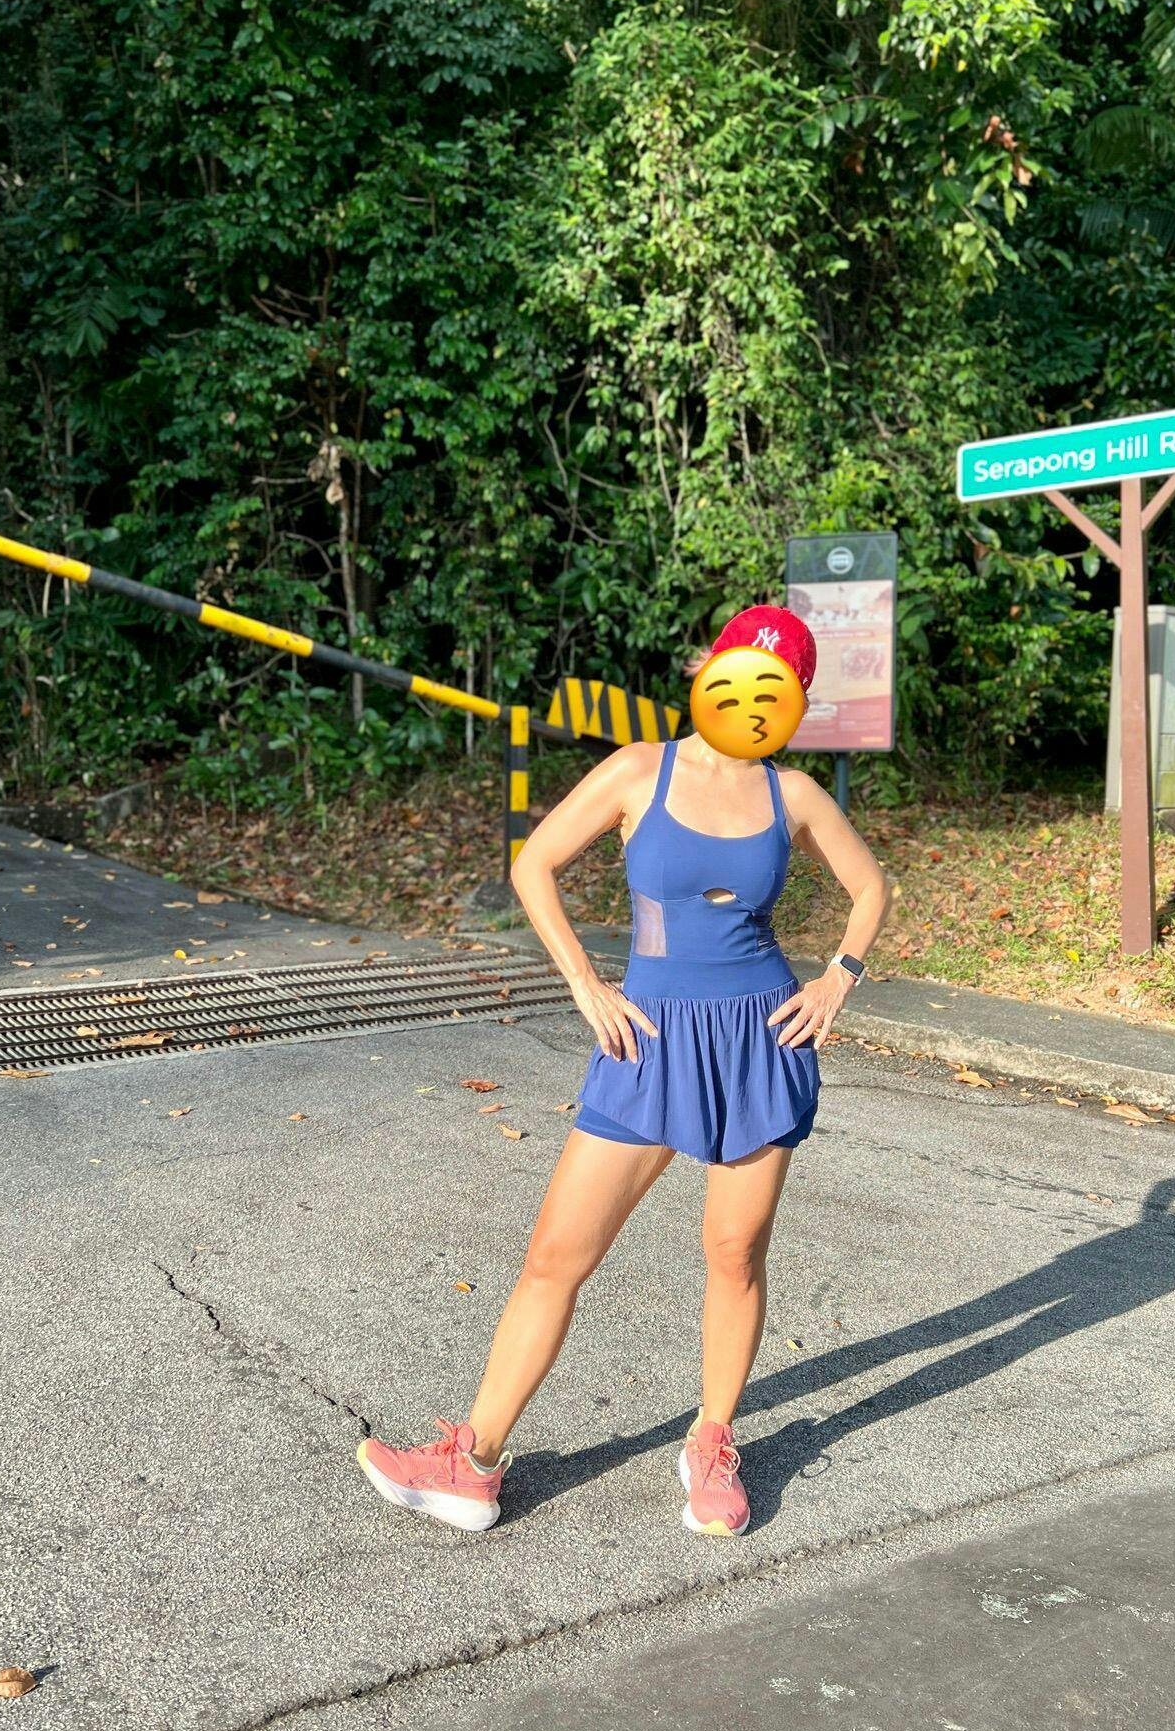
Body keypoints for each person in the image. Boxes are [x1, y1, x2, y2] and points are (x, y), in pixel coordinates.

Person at [357, 605, 889, 1536]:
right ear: (708, 670)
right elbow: (535, 865)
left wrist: (838, 978)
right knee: (556, 1256)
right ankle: (472, 1463)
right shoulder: (643, 769)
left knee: (735, 1252)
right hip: (647, 1040)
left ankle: (712, 1443)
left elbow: (872, 886)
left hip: (759, 1041)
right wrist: (585, 983)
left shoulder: (793, 794)